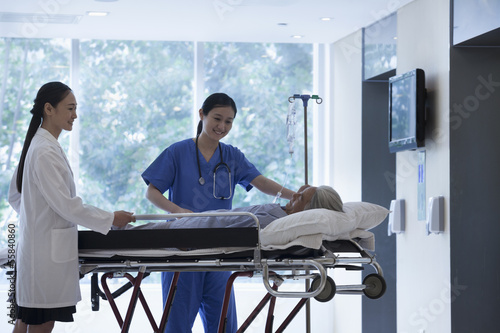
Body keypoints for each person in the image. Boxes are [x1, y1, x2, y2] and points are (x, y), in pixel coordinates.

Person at [141, 92, 295, 333]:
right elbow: (152, 192)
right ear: (201, 115)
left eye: (229, 121)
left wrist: (295, 197)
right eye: (217, 118)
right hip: (183, 248)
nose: (222, 126)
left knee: (223, 324)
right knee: (177, 324)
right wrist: (178, 211)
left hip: (220, 249)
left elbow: (261, 182)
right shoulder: (177, 152)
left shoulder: (231, 155)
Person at [7, 82, 136, 333]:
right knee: (41, 324)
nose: (75, 115)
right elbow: (67, 206)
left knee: (26, 323)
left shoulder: (40, 145)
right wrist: (111, 218)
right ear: (49, 109)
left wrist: (36, 217)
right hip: (44, 259)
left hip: (40, 253)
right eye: (70, 108)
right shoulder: (44, 150)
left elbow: (16, 196)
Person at [120, 185, 343, 231]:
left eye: (300, 197)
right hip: (193, 222)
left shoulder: (273, 221)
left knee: (134, 234)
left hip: (192, 229)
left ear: (306, 212)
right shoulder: (280, 213)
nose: (293, 194)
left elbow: (227, 227)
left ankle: (117, 233)